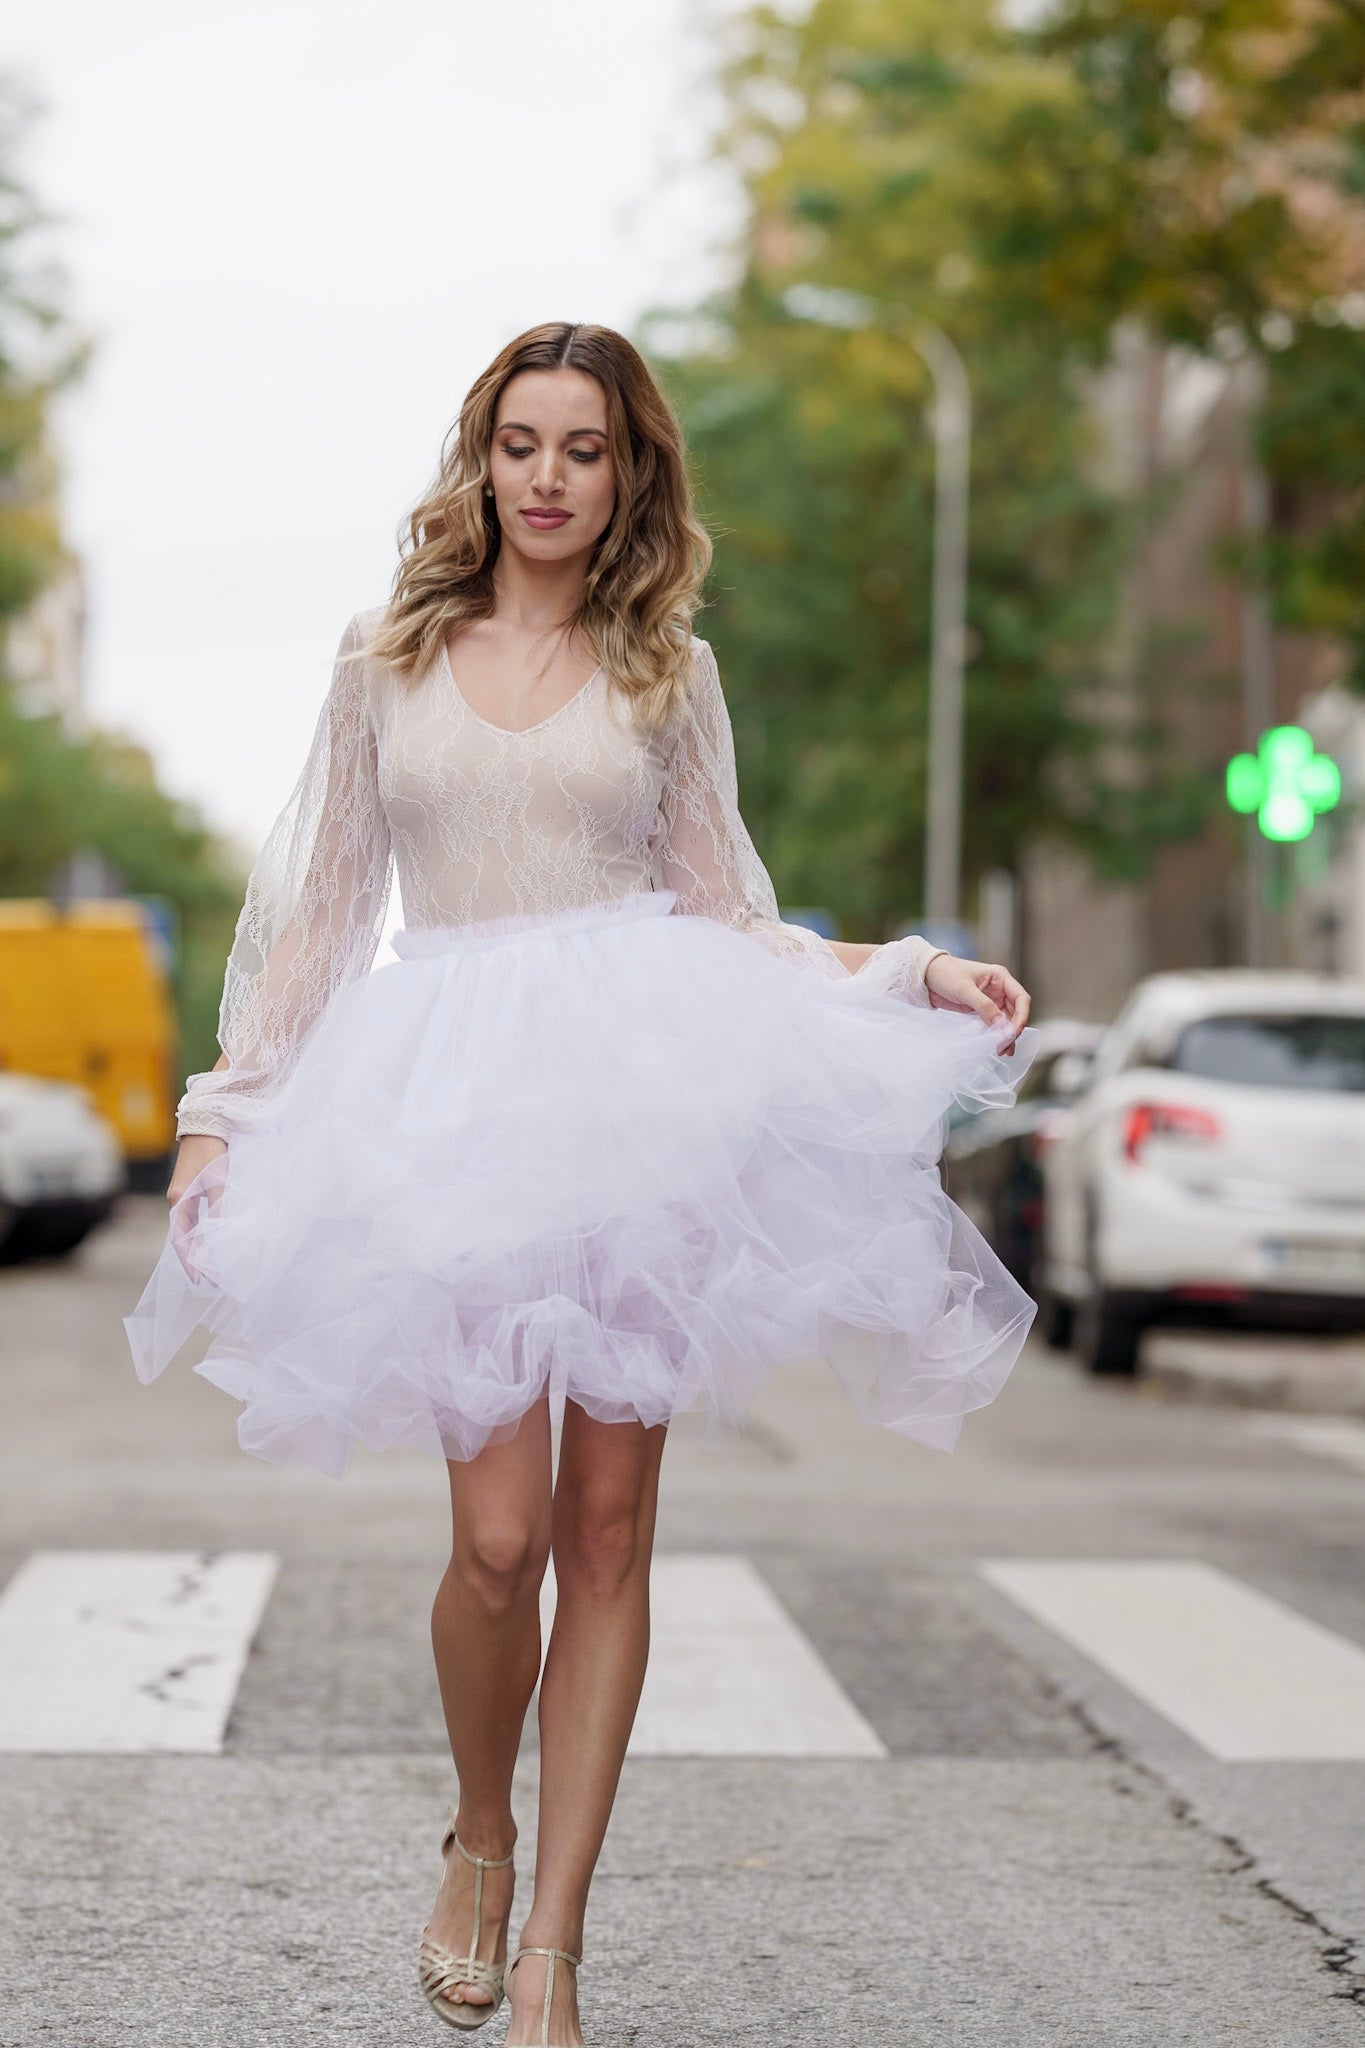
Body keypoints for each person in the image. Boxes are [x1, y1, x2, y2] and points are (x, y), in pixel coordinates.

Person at [124, 320, 1040, 2048]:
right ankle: (480, 1827)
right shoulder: (383, 656)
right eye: (522, 444)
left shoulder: (661, 669)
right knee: (496, 1541)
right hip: (450, 1112)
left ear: (631, 475)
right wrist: (221, 1109)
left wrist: (905, 969)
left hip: (641, 1106)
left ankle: (552, 1943)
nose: (550, 479)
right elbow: (314, 913)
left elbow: (727, 917)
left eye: (586, 450)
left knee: (608, 1534)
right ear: (481, 459)